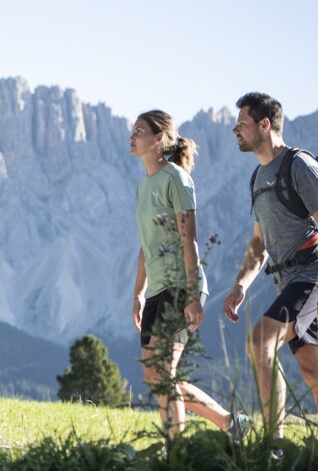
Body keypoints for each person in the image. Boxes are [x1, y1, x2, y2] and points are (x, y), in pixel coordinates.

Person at [131, 109, 251, 440]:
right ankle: (231, 423)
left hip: (179, 286)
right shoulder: (142, 188)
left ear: (158, 139)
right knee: (155, 377)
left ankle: (176, 454)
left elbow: (190, 239)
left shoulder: (177, 179)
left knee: (165, 373)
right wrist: (138, 293)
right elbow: (145, 245)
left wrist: (194, 294)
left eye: (139, 131)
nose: (132, 136)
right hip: (156, 290)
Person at [224, 92, 318, 437]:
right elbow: (259, 243)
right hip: (288, 282)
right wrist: (240, 285)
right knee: (311, 371)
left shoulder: (299, 166)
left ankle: (273, 444)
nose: (235, 130)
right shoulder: (258, 177)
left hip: (311, 277)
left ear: (265, 125)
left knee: (259, 343)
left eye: (242, 124)